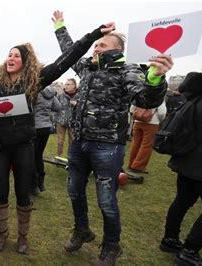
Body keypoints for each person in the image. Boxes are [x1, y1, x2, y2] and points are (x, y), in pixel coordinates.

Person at [0, 14, 115, 255]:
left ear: (25, 61)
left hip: (23, 146)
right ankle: (2, 234)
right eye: (9, 54)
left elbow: (66, 58)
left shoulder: (34, 80)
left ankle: (22, 237)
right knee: (0, 192)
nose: (11, 57)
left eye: (17, 55)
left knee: (22, 192)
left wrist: (93, 35)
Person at [53, 10, 173, 265]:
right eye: (96, 44)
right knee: (74, 191)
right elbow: (70, 50)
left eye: (102, 44)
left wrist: (155, 78)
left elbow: (145, 99)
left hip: (107, 146)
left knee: (106, 200)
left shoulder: (126, 69)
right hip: (80, 143)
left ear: (118, 49)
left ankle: (111, 246)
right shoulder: (86, 67)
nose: (96, 47)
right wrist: (60, 27)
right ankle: (82, 230)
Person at [159, 60, 202, 266]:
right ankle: (190, 250)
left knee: (183, 200)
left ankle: (170, 239)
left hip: (188, 157)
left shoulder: (195, 95)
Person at [31, 84, 60, 195]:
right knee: (38, 155)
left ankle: (34, 185)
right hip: (46, 127)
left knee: (31, 157)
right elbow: (58, 107)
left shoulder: (34, 91)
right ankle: (40, 183)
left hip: (35, 127)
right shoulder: (51, 93)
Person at [128, 101, 166, 174]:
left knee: (135, 143)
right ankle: (138, 166)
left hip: (137, 121)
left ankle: (131, 164)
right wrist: (160, 119)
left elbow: (132, 109)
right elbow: (162, 113)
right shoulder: (159, 96)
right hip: (152, 123)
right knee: (147, 145)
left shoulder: (140, 93)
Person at [56, 78, 77, 156]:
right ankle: (59, 158)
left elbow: (84, 107)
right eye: (65, 84)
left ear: (74, 86)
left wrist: (76, 105)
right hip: (60, 121)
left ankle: (70, 159)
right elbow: (55, 107)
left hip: (73, 122)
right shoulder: (60, 96)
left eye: (68, 84)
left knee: (72, 142)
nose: (66, 86)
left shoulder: (79, 95)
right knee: (60, 142)